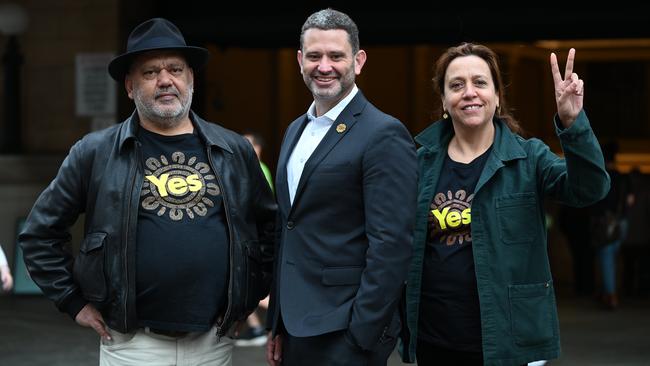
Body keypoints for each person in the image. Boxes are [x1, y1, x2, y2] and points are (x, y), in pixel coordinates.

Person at [18, 18, 276, 366]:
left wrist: (247, 301)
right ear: (129, 86)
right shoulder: (94, 152)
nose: (165, 80)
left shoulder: (233, 150)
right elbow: (39, 233)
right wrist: (72, 301)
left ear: (191, 79)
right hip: (132, 346)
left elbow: (270, 231)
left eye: (175, 69)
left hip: (212, 344)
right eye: (150, 72)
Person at [400, 43, 610, 366]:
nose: (469, 92)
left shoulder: (529, 158)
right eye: (456, 85)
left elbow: (590, 189)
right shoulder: (420, 164)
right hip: (435, 338)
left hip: (507, 342)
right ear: (443, 100)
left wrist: (573, 124)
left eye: (480, 82)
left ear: (497, 97)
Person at [266, 8, 417, 366]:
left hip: (344, 333)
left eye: (336, 56)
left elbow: (392, 245)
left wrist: (361, 335)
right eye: (315, 56)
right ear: (300, 60)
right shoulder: (294, 131)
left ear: (358, 61)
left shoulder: (383, 133)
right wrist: (276, 324)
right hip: (294, 328)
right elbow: (286, 231)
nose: (324, 66)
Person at [237, 132, 273, 347]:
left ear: (258, 148)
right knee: (244, 284)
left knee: (251, 286)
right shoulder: (252, 168)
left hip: (253, 234)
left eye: (249, 143)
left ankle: (282, 310)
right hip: (250, 232)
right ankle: (256, 328)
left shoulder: (259, 170)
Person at [591, 141, 633, 310]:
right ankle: (607, 291)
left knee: (606, 257)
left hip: (606, 223)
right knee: (612, 257)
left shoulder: (601, 176)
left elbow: (595, 202)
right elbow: (630, 201)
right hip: (622, 222)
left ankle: (611, 294)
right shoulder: (623, 177)